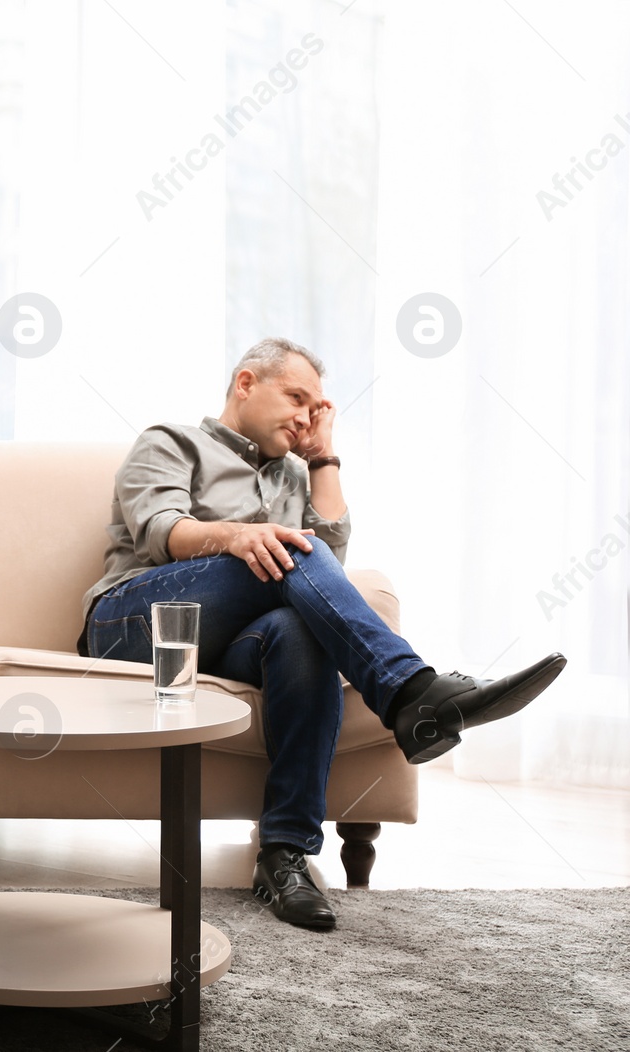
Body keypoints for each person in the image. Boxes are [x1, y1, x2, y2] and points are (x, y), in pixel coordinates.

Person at [79, 337, 565, 930]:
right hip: (133, 626)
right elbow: (162, 531)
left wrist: (322, 459)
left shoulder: (292, 473)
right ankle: (414, 694)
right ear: (246, 384)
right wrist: (236, 535)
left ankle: (285, 855)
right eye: (297, 397)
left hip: (226, 641)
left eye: (319, 408)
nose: (308, 416)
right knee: (285, 551)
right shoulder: (172, 441)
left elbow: (326, 568)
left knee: (300, 628)